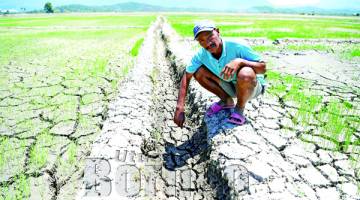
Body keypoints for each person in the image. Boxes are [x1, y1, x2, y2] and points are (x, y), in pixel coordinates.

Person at [173, 20, 266, 128]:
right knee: (198, 72)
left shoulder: (237, 46)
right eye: (201, 41)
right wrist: (180, 107)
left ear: (217, 32)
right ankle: (226, 100)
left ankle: (239, 109)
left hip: (251, 87)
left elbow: (263, 68)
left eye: (209, 37)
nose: (207, 43)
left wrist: (240, 61)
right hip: (231, 85)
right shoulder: (201, 55)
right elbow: (186, 75)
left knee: (246, 73)